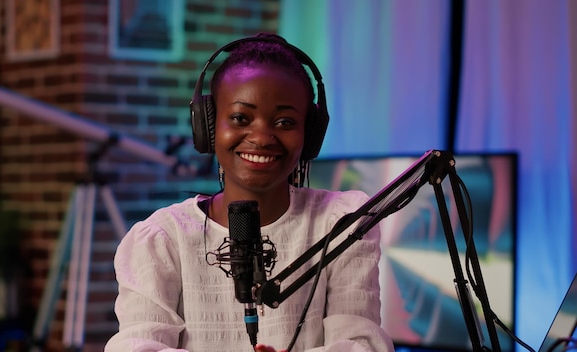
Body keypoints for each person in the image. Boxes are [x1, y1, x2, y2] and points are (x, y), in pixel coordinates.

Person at [104, 33, 395, 352]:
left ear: (309, 133)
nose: (262, 137)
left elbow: (362, 344)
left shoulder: (341, 225)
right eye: (241, 118)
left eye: (285, 122)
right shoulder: (163, 239)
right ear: (209, 125)